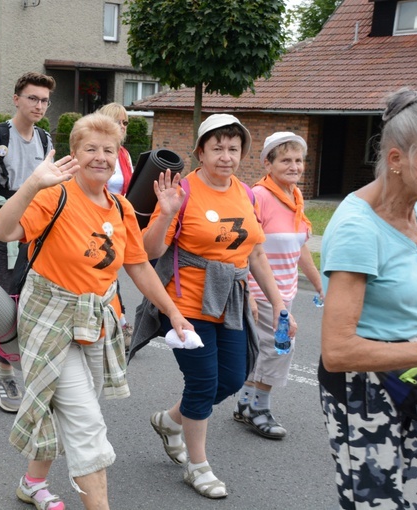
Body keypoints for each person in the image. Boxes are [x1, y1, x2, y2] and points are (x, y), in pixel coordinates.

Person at [0, 113, 193, 510]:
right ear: (74, 154)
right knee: (85, 423)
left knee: (72, 408)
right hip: (49, 318)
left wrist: (173, 312)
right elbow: (0, 230)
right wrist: (32, 183)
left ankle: (32, 482)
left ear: (119, 155)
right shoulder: (54, 194)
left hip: (98, 321)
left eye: (109, 149)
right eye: (91, 149)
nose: (100, 157)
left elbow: (139, 263)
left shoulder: (120, 207)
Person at [132, 114, 296, 499]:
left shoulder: (246, 193)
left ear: (243, 154)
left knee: (234, 378)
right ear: (200, 152)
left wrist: (277, 304)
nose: (226, 156)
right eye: (217, 148)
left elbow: (255, 254)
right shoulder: (182, 191)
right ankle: (197, 465)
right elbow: (149, 251)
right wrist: (167, 212)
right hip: (187, 304)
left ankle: (170, 421)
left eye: (233, 149)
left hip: (233, 302)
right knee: (203, 382)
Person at [319, 88, 417, 509]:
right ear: (396, 159)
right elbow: (337, 351)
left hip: (412, 372)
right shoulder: (359, 228)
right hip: (363, 390)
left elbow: (412, 299)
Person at [0, 71, 56, 413]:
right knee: (9, 305)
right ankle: (2, 372)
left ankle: (0, 368)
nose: (39, 105)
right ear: (16, 99)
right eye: (33, 98)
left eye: (44, 100)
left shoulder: (45, 140)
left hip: (31, 232)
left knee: (25, 303)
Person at [233, 132, 324, 439]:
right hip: (261, 292)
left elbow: (300, 249)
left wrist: (320, 284)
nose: (294, 166)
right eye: (286, 160)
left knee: (266, 351)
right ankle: (259, 408)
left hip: (285, 293)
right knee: (280, 349)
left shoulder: (294, 198)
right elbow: (244, 247)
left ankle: (245, 401)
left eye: (299, 160)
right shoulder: (260, 196)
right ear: (268, 163)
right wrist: (247, 291)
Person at [97, 102, 135, 348]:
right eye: (117, 121)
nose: (122, 126)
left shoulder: (124, 154)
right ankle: (118, 321)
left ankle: (116, 320)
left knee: (111, 271)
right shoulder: (97, 152)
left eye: (125, 123)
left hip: (117, 221)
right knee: (103, 271)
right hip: (95, 220)